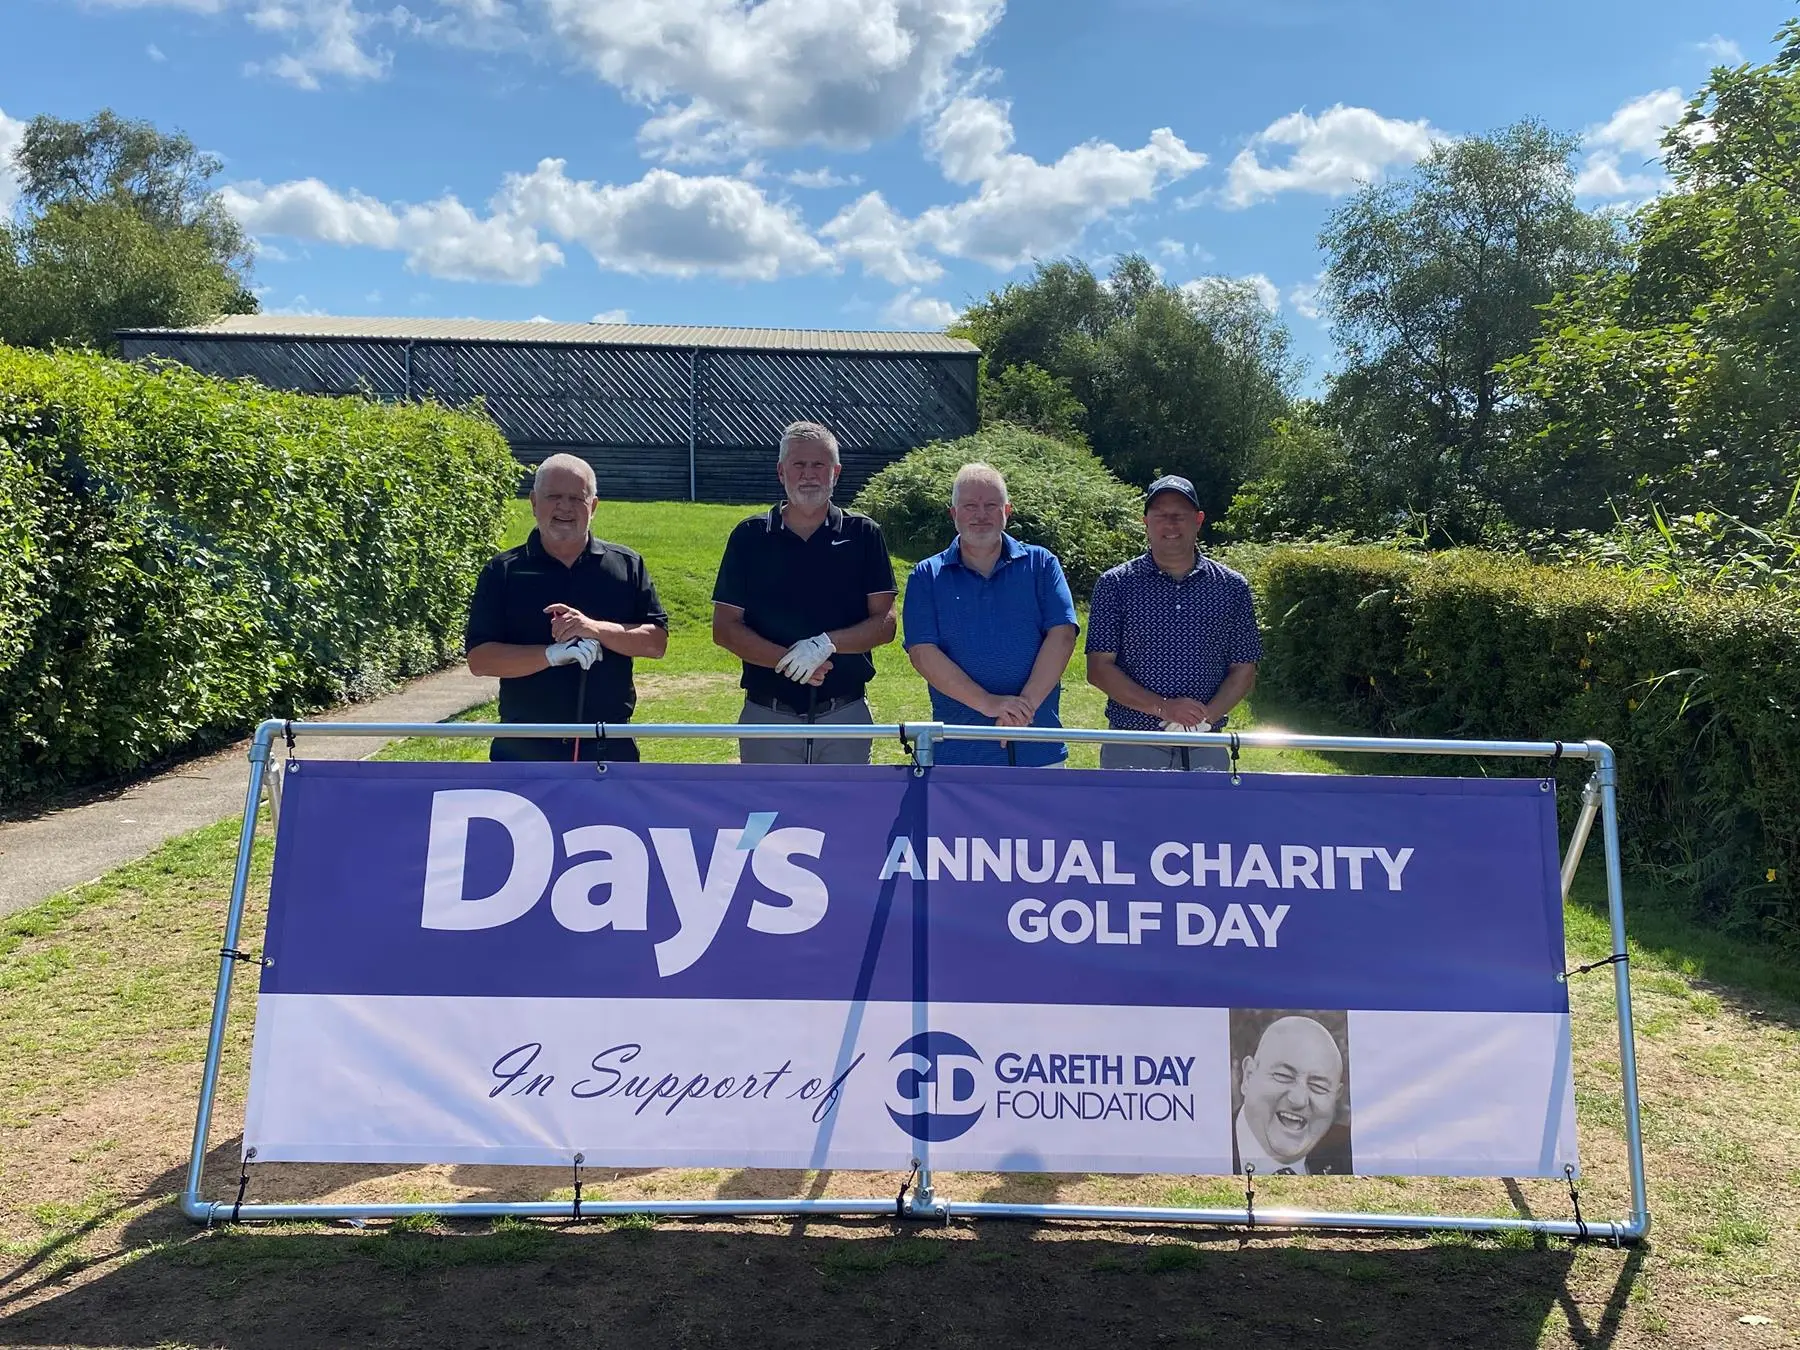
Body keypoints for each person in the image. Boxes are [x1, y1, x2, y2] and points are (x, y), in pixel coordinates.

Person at [711, 421, 897, 764]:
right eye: (798, 464)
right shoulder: (749, 536)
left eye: (819, 465)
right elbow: (724, 628)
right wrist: (788, 661)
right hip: (767, 713)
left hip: (845, 713)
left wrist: (825, 644)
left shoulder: (863, 534)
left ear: (836, 472)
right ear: (781, 472)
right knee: (769, 816)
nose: (808, 474)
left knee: (844, 816)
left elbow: (885, 623)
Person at [465, 453, 668, 762]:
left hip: (608, 745)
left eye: (577, 498)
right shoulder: (503, 572)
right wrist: (550, 655)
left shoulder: (626, 565)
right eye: (554, 497)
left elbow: (656, 642)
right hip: (524, 747)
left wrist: (595, 629)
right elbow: (480, 660)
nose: (565, 507)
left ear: (594, 506)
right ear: (534, 502)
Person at [902, 462, 1079, 765]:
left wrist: (1021, 710)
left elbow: (1062, 636)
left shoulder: (1041, 564)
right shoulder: (926, 576)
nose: (980, 514)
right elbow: (922, 653)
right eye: (970, 505)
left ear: (1007, 511)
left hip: (1037, 746)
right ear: (953, 514)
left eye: (991, 505)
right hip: (959, 751)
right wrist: (990, 704)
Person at [1086, 475, 1262, 771]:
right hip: (1132, 742)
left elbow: (1244, 668)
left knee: (1204, 820)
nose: (1170, 524)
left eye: (1179, 515)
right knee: (1127, 820)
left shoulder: (1232, 587)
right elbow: (1099, 669)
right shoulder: (1115, 584)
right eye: (1161, 515)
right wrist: (1164, 708)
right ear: (1146, 521)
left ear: (1198, 520)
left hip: (1205, 742)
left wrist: (1202, 720)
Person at [1231, 1014, 1353, 1176]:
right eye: (1283, 1076)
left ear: (1336, 1097)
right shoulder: (1201, 1147)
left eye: (1318, 1086)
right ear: (1248, 1076)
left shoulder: (1351, 1157)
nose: (1298, 1100)